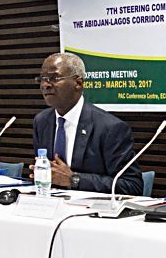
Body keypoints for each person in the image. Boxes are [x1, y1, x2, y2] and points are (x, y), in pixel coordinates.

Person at [32, 53, 142, 195]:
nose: (45, 85)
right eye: (42, 79)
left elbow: (132, 186)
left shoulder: (110, 128)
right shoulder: (41, 122)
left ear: (78, 83)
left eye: (54, 78)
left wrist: (74, 179)